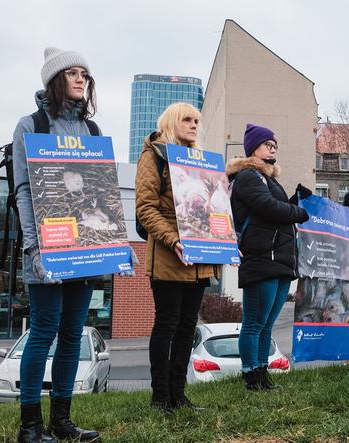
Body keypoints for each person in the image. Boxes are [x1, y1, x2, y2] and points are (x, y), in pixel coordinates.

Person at [13, 47, 105, 442]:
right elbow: (23, 191)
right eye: (72, 72)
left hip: (84, 250)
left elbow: (101, 195)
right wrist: (35, 251)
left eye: (85, 73)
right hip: (47, 249)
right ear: (55, 80)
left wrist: (112, 246)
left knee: (72, 334)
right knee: (43, 331)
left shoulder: (94, 132)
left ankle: (61, 421)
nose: (81, 78)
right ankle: (30, 425)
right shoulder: (30, 125)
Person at [135, 103, 220, 412]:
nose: (194, 124)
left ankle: (178, 395)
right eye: (187, 119)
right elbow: (145, 208)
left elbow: (214, 207)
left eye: (197, 120)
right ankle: (160, 398)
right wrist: (173, 240)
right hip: (171, 255)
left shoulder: (201, 162)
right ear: (172, 121)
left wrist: (226, 243)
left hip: (199, 257)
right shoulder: (154, 155)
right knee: (167, 325)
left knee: (187, 327)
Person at [227, 123, 309, 390]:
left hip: (280, 260)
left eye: (275, 146)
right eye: (268, 145)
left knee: (266, 325)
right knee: (254, 322)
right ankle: (251, 375)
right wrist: (299, 212)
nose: (273, 149)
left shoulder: (268, 179)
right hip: (261, 258)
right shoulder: (249, 176)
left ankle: (262, 372)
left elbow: (279, 207)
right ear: (254, 148)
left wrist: (297, 200)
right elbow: (267, 207)